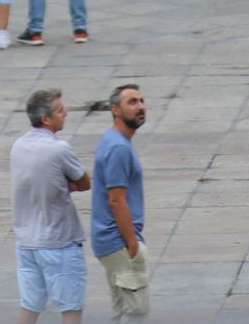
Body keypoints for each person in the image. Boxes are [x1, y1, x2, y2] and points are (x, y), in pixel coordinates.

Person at [11, 87, 90, 324]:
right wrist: (68, 185)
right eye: (60, 110)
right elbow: (85, 181)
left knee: (30, 306)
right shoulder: (59, 149)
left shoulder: (18, 146)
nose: (65, 113)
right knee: (71, 308)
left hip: (26, 241)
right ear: (46, 119)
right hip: (59, 241)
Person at [92, 83, 150, 321]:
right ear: (116, 110)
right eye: (132, 102)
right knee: (136, 312)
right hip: (119, 242)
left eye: (141, 101)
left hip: (110, 240)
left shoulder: (113, 139)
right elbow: (117, 201)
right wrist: (132, 244)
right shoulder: (118, 148)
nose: (141, 107)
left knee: (121, 311)